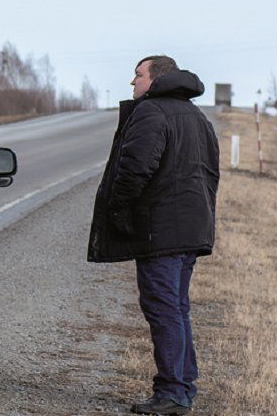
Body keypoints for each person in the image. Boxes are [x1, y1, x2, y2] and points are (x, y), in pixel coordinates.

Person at [87, 55, 219, 415]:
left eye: (138, 74)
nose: (132, 82)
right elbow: (210, 174)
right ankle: (183, 386)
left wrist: (118, 208)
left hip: (162, 231)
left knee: (163, 309)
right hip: (190, 229)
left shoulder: (151, 112)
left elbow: (134, 168)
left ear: (157, 78)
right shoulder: (196, 116)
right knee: (176, 308)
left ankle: (173, 392)